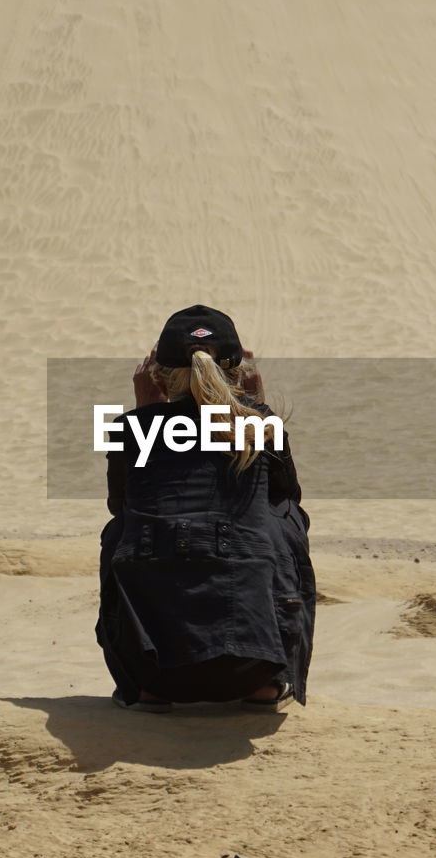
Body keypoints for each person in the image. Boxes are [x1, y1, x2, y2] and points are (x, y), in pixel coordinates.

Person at [95, 304, 315, 712]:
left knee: (120, 527)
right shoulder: (260, 426)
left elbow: (121, 503)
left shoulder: (132, 430)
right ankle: (271, 679)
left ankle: (144, 685)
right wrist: (257, 407)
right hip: (252, 668)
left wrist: (145, 416)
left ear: (158, 374)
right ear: (239, 372)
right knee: (285, 515)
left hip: (154, 672)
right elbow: (288, 497)